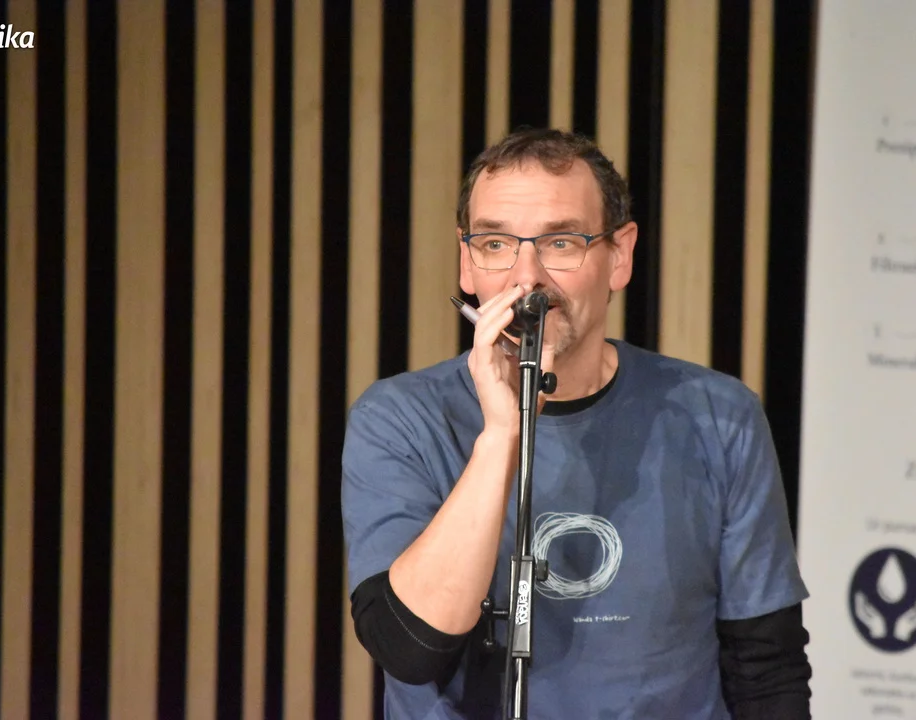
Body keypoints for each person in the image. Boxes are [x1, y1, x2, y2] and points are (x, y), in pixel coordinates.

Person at [341, 128, 812, 719]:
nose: (527, 277)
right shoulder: (399, 419)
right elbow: (411, 650)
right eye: (495, 244)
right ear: (466, 262)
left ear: (620, 256)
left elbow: (767, 671)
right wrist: (503, 434)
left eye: (561, 242)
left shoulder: (718, 416)